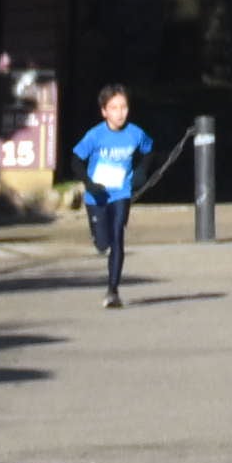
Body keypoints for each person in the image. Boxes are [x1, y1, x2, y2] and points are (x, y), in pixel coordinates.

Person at [72, 82, 154, 309]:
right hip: (96, 196)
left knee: (117, 237)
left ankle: (112, 290)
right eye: (114, 108)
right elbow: (76, 160)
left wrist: (140, 172)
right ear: (104, 111)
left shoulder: (135, 133)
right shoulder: (95, 135)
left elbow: (148, 151)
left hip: (121, 192)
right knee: (103, 242)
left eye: (124, 107)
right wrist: (88, 183)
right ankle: (99, 241)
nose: (120, 113)